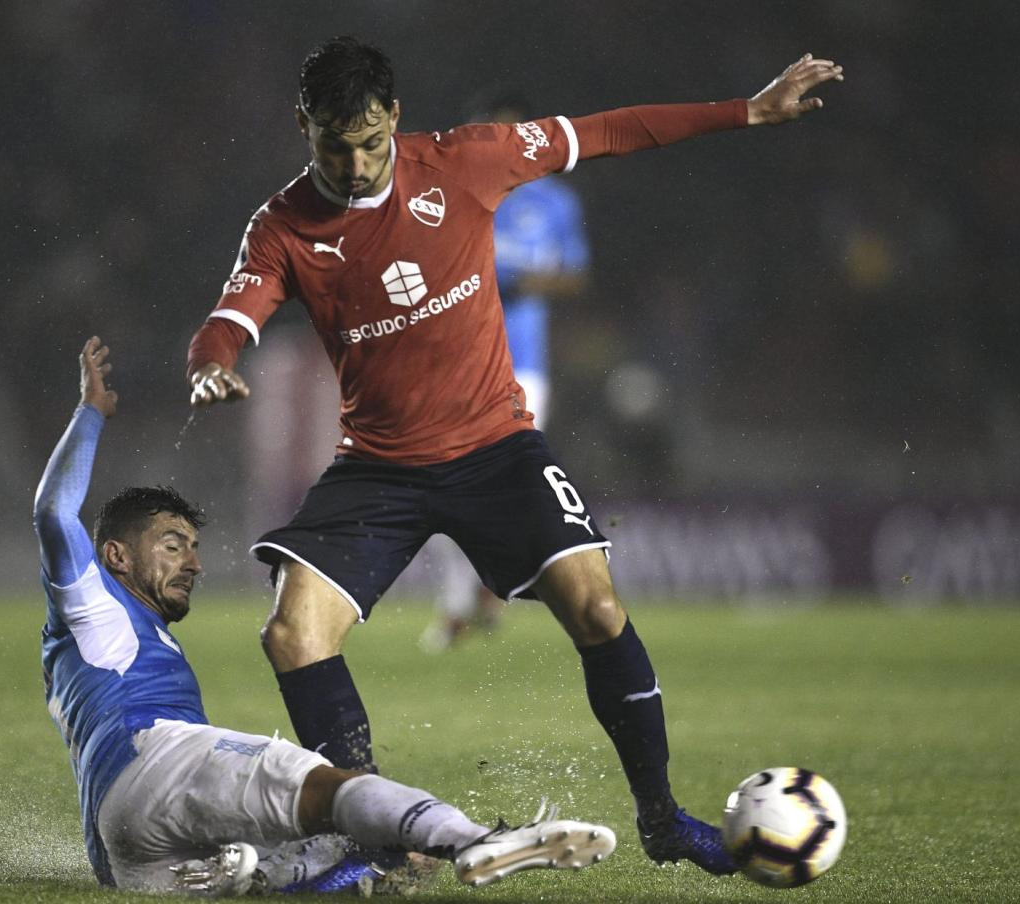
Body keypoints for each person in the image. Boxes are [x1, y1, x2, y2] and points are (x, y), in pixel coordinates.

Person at [186, 36, 843, 876]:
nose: (353, 165)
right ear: (303, 126)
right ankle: (370, 838)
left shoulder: (469, 160)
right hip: (379, 464)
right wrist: (211, 362)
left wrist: (747, 110)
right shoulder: (282, 226)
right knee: (291, 634)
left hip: (496, 447)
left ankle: (662, 819)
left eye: (369, 142)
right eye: (332, 145)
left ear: (394, 116)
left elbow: (611, 130)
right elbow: (232, 316)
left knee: (600, 610)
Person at [34, 336, 616, 895]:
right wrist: (90, 412)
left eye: (193, 548)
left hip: (122, 848)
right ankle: (476, 840)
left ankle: (283, 870)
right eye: (171, 545)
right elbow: (55, 512)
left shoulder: (88, 643)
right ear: (113, 555)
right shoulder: (92, 602)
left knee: (336, 860)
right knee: (325, 786)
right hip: (156, 763)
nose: (193, 564)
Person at [420, 90, 591, 653]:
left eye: (516, 133)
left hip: (524, 364)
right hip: (457, 359)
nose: (507, 144)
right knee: (446, 479)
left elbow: (576, 276)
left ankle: (476, 601)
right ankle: (477, 597)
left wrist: (523, 280)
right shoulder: (457, 194)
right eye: (495, 132)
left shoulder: (556, 202)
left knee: (506, 484)